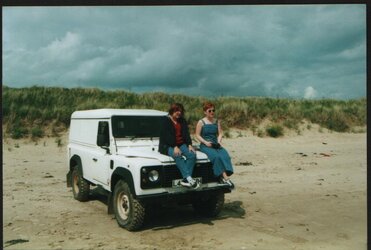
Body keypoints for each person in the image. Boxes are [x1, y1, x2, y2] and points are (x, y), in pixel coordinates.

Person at [159, 103, 200, 189]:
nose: (179, 113)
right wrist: (174, 147)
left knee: (192, 155)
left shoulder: (182, 121)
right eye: (177, 111)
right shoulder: (165, 121)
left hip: (181, 144)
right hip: (166, 145)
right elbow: (166, 136)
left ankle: (185, 180)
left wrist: (189, 145)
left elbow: (186, 134)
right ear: (172, 111)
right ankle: (188, 178)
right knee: (177, 155)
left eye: (180, 111)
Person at [195, 102, 235, 189]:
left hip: (215, 144)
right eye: (210, 111)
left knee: (225, 155)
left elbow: (220, 133)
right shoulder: (201, 122)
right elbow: (197, 135)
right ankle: (226, 178)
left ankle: (221, 176)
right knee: (216, 157)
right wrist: (205, 142)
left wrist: (219, 141)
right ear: (205, 112)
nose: (212, 112)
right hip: (205, 145)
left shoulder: (217, 121)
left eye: (213, 110)